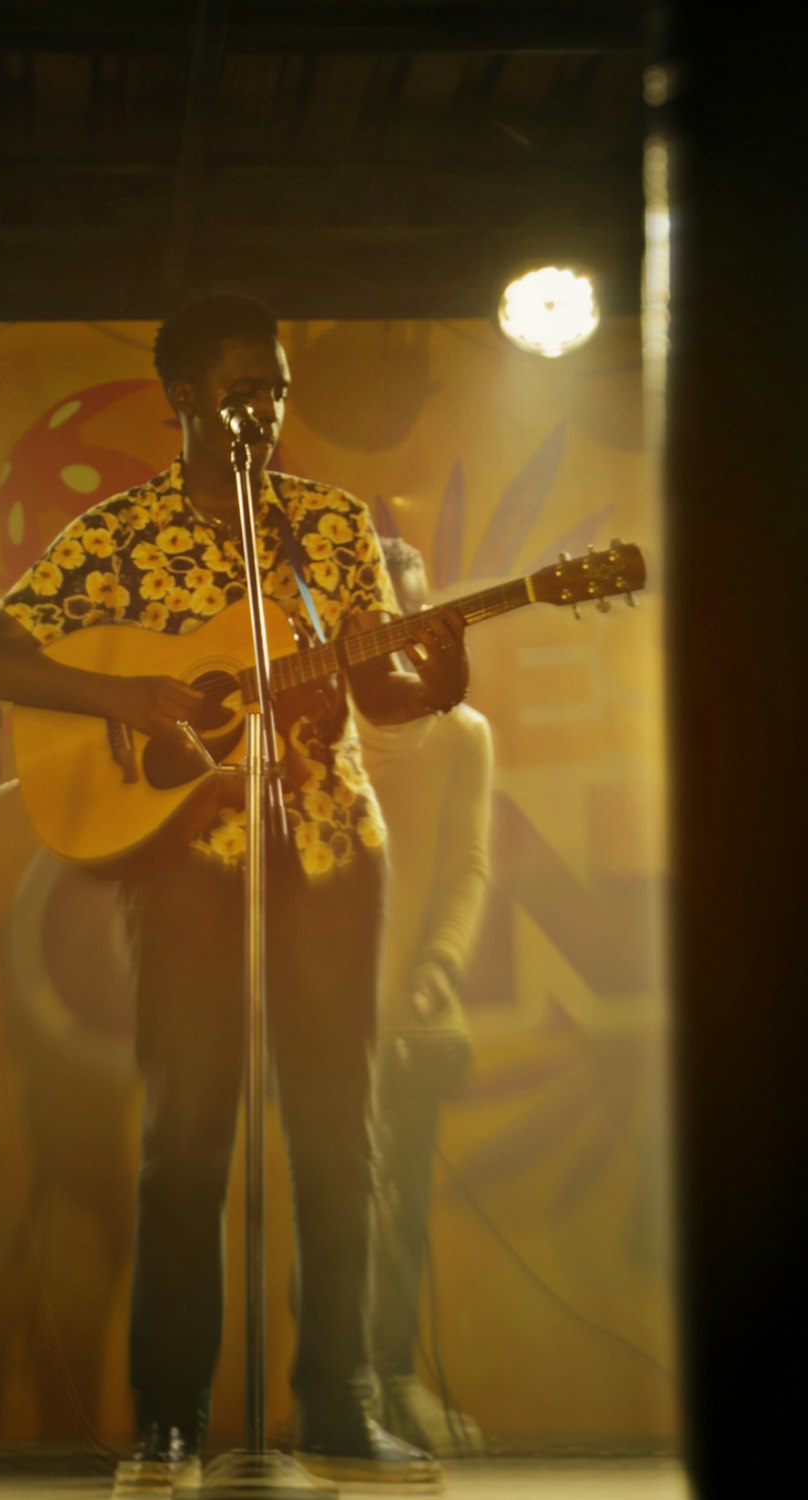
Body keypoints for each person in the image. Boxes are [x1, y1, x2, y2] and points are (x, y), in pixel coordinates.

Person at [0, 292, 470, 1483]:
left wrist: (441, 673)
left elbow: (379, 692)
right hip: (188, 862)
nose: (265, 407)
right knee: (186, 1139)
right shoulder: (118, 534)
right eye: (242, 386)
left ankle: (339, 1405)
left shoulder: (329, 526)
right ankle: (171, 1417)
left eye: (277, 386)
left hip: (333, 847)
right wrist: (128, 698)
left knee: (341, 1135)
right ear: (184, 396)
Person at [358, 537, 492, 1458]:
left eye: (410, 624)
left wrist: (439, 962)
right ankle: (342, 1391)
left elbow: (465, 868)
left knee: (402, 1197)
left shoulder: (460, 733)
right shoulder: (314, 723)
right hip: (324, 1007)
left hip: (414, 1008)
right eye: (378, 627)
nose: (398, 645)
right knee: (331, 1205)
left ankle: (395, 1379)